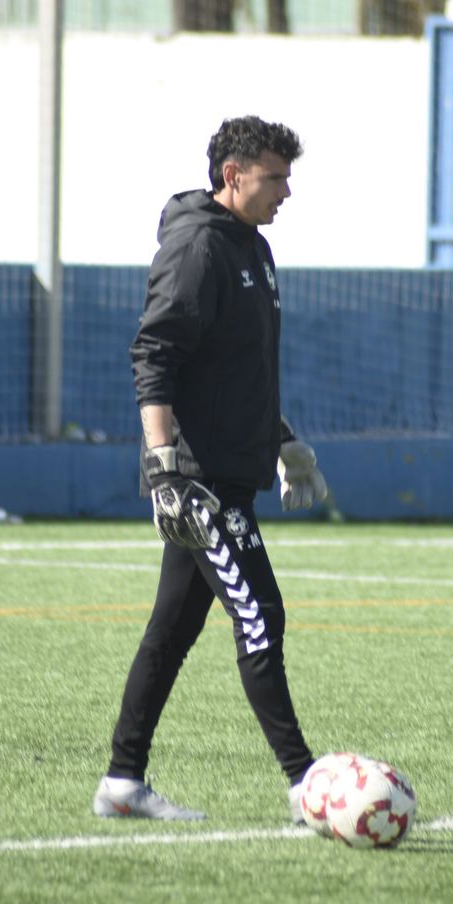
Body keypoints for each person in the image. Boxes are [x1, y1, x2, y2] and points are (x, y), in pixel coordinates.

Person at [92, 116, 330, 823]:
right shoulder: (198, 248)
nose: (286, 191)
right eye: (275, 177)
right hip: (198, 481)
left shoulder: (254, 248)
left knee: (172, 629)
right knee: (260, 615)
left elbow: (238, 375)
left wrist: (285, 444)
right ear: (233, 175)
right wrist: (164, 469)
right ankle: (306, 784)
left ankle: (122, 782)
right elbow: (153, 356)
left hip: (234, 469)